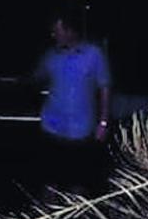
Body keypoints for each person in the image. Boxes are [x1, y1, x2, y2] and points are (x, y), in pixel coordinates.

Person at [34, 10, 111, 193]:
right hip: (52, 126)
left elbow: (105, 88)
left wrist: (103, 122)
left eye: (57, 31)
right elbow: (36, 78)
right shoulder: (50, 56)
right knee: (50, 181)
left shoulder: (94, 55)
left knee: (78, 180)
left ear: (70, 31)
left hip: (81, 128)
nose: (54, 35)